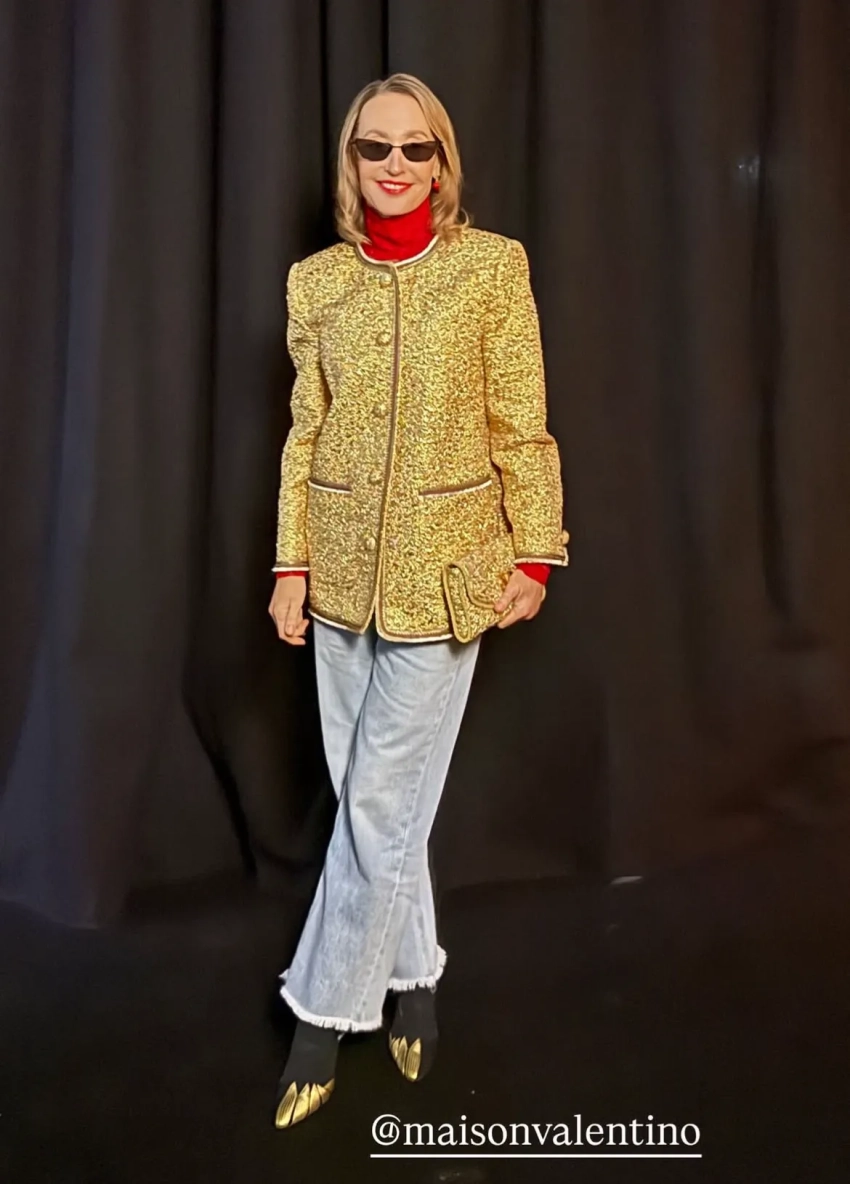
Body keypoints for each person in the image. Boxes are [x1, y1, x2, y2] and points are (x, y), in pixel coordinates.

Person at [267, 72, 569, 1129]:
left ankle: (320, 1013)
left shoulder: (491, 269)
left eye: (414, 148)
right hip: (337, 573)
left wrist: (535, 550)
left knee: (380, 803)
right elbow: (305, 431)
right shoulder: (316, 282)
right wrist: (291, 565)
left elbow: (521, 420)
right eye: (374, 148)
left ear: (442, 163)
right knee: (375, 800)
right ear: (349, 162)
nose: (394, 165)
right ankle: (416, 980)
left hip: (448, 578)